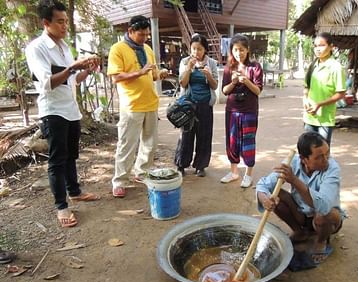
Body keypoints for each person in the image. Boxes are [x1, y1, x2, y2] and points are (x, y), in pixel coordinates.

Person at [25, 0, 101, 228]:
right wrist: (73, 68)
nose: (64, 26)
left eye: (66, 21)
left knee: (71, 156)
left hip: (70, 110)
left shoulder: (64, 47)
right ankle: (62, 206)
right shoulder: (36, 48)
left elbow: (71, 79)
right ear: (46, 23)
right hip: (53, 111)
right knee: (57, 161)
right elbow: (47, 83)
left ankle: (75, 192)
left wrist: (87, 70)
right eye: (60, 22)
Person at [256, 132, 344, 265]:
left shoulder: (332, 168)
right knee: (276, 194)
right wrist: (265, 199)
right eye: (319, 157)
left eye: (327, 153)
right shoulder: (292, 163)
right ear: (304, 159)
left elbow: (324, 206)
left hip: (325, 218)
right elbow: (263, 185)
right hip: (301, 214)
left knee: (323, 215)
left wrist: (294, 180)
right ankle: (299, 231)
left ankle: (321, 241)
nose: (326, 159)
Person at [107, 15, 169, 198]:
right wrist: (139, 72)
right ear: (130, 31)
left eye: (146, 34)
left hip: (151, 102)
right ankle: (119, 181)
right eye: (141, 35)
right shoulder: (118, 49)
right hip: (131, 105)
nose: (144, 38)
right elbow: (116, 77)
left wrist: (160, 74)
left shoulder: (147, 49)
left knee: (150, 143)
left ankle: (141, 172)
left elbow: (152, 74)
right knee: (127, 144)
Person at [221, 34, 263, 188]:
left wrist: (246, 80)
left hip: (249, 111)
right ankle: (234, 172)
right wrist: (233, 82)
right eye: (236, 50)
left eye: (242, 50)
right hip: (232, 110)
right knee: (232, 142)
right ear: (232, 50)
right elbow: (224, 91)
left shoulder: (255, 67)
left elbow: (258, 91)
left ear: (248, 50)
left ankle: (248, 175)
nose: (239, 53)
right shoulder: (228, 68)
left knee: (248, 142)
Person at [174, 34, 218, 177]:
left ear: (205, 50)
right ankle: (181, 164)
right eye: (193, 49)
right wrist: (188, 68)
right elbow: (183, 83)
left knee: (204, 135)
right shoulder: (185, 61)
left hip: (205, 104)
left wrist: (208, 75)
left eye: (199, 49)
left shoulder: (211, 63)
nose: (196, 52)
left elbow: (215, 85)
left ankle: (201, 165)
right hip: (188, 104)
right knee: (186, 135)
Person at [303, 32, 346, 146]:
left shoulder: (336, 67)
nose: (318, 49)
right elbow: (307, 86)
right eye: (316, 46)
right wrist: (305, 99)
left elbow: (340, 93)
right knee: (307, 150)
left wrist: (320, 104)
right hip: (309, 118)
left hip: (325, 120)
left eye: (322, 45)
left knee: (322, 151)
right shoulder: (312, 65)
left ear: (331, 46)